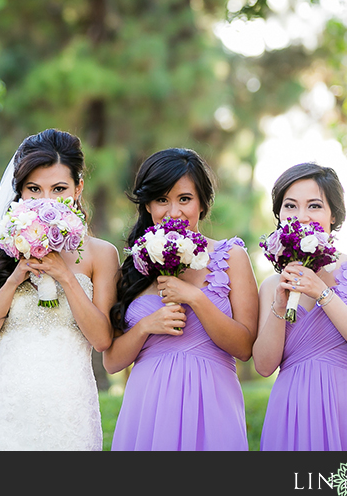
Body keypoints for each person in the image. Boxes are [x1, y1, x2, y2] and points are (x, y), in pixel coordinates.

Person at [0, 129, 119, 450]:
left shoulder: (101, 254)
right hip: (10, 409)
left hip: (71, 411)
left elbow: (102, 340)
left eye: (59, 189)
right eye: (34, 189)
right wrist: (16, 275)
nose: (47, 201)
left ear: (79, 188)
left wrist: (65, 276)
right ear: (19, 193)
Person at [104, 147, 258, 450]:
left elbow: (244, 348)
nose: (173, 212)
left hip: (213, 401)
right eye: (162, 199)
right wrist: (147, 325)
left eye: (184, 199)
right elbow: (112, 362)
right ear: (147, 205)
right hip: (148, 403)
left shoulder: (232, 257)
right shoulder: (132, 266)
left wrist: (196, 299)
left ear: (202, 202)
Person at [254, 162, 347, 450]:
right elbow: (264, 366)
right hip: (290, 414)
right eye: (290, 206)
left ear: (333, 215)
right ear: (279, 215)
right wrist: (280, 302)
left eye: (314, 206)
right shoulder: (270, 286)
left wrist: (323, 293)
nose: (301, 217)